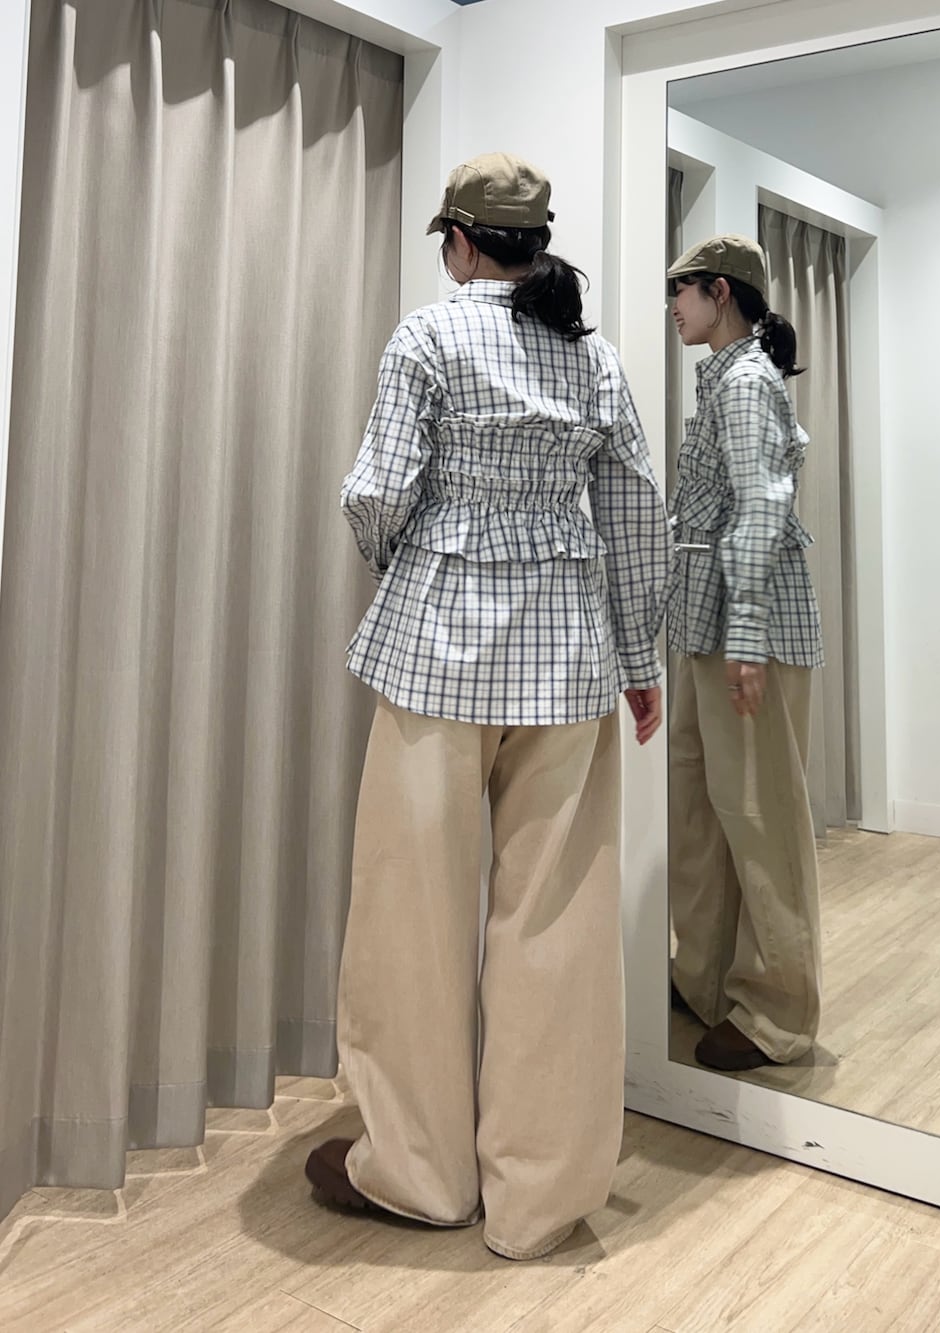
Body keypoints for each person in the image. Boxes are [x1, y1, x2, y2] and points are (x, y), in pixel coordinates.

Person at [304, 153, 670, 1260]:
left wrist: (409, 558)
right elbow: (633, 509)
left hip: (436, 657)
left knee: (410, 918)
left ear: (459, 240)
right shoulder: (593, 354)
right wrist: (639, 655)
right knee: (556, 925)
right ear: (536, 243)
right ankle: (538, 1200)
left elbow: (376, 493)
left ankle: (418, 1175)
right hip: (567, 658)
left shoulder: (427, 337)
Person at [665, 233, 823, 1072]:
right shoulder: (725, 378)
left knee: (760, 816)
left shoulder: (747, 382)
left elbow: (762, 507)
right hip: (709, 622)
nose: (673, 306)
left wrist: (750, 636)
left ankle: (777, 1012)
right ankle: (704, 976)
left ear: (719, 292)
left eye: (681, 290)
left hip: (743, 628)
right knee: (702, 807)